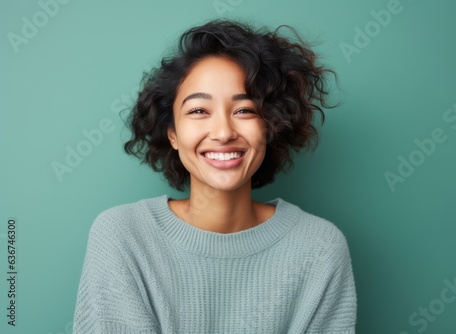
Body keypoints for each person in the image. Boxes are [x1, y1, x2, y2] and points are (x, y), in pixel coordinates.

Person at [73, 19, 356, 333]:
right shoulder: (122, 237)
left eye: (245, 110)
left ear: (270, 126)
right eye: (198, 111)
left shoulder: (319, 248)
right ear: (173, 134)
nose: (223, 133)